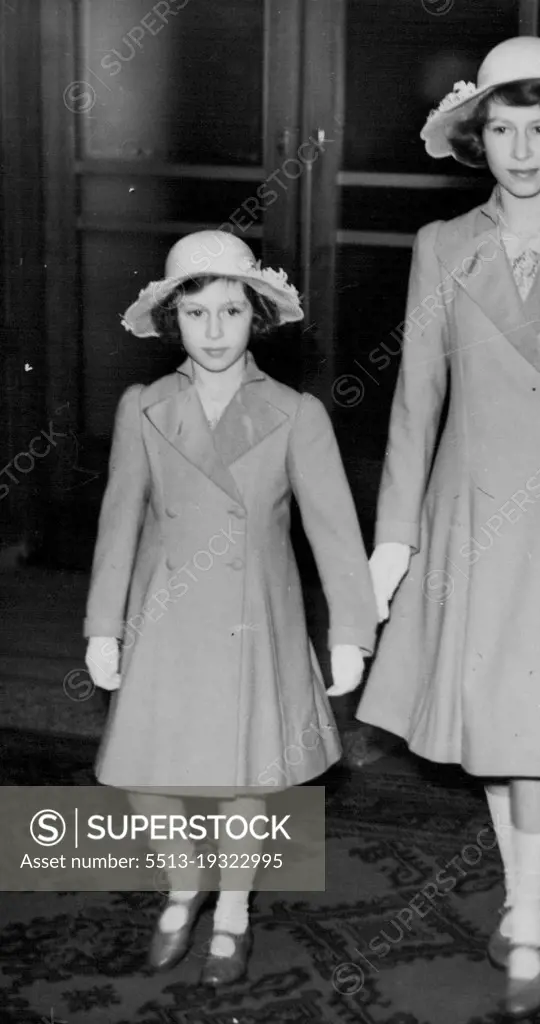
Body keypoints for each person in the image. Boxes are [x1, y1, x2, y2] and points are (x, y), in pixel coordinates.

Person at [340, 37, 540, 1019]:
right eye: (501, 129)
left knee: (533, 735)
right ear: (477, 137)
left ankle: (527, 919)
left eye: (538, 129)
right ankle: (526, 901)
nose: (520, 151)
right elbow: (415, 399)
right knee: (495, 724)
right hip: (472, 511)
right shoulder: (443, 245)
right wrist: (392, 536)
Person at [83, 231, 377, 985]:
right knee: (150, 770)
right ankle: (184, 888)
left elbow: (334, 530)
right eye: (195, 313)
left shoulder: (294, 412)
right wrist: (103, 626)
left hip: (256, 617)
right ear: (171, 322)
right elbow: (119, 521)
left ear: (257, 319)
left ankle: (236, 911)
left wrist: (351, 630)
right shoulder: (144, 407)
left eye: (230, 311)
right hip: (165, 615)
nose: (213, 332)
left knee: (247, 773)